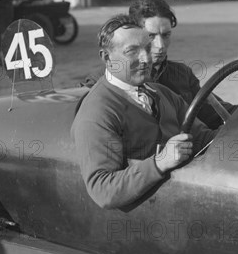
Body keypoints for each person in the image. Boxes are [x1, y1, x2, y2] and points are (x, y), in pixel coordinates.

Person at [71, 14, 216, 209]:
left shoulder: (162, 93)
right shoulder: (98, 113)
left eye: (147, 48)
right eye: (132, 51)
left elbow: (203, 138)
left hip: (189, 199)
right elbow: (103, 189)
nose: (146, 58)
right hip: (149, 218)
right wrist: (160, 162)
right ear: (107, 57)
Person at [129, 0, 236, 129]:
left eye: (166, 35)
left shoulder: (182, 74)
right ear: (133, 36)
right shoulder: (118, 79)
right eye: (151, 36)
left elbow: (214, 112)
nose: (161, 45)